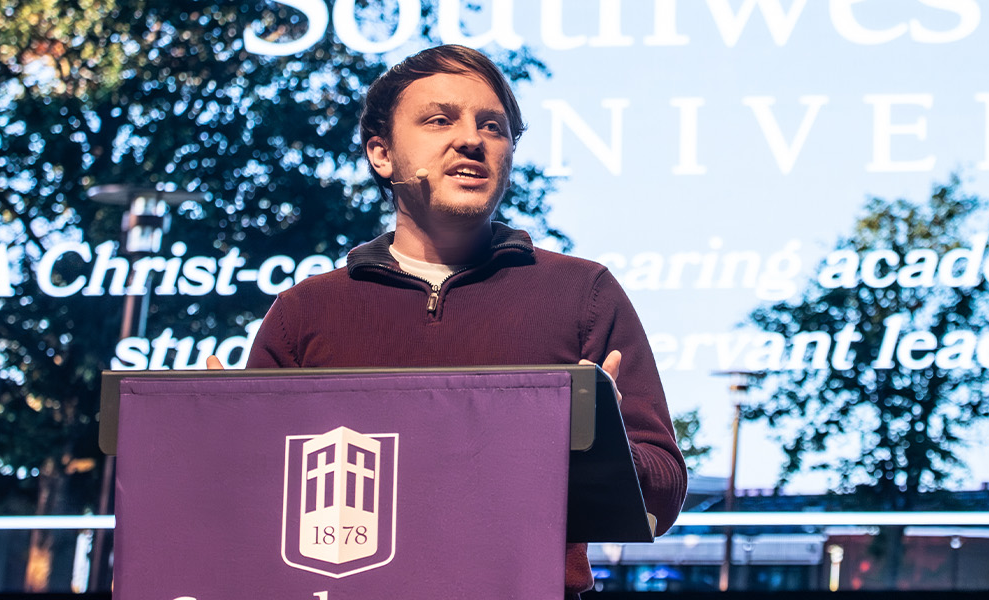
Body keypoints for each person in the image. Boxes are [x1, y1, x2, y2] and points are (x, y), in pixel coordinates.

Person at [244, 44, 686, 596]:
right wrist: (215, 435)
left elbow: (664, 495)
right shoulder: (304, 312)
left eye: (493, 126)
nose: (472, 139)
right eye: (439, 120)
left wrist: (606, 449)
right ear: (381, 154)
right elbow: (248, 507)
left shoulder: (583, 293)